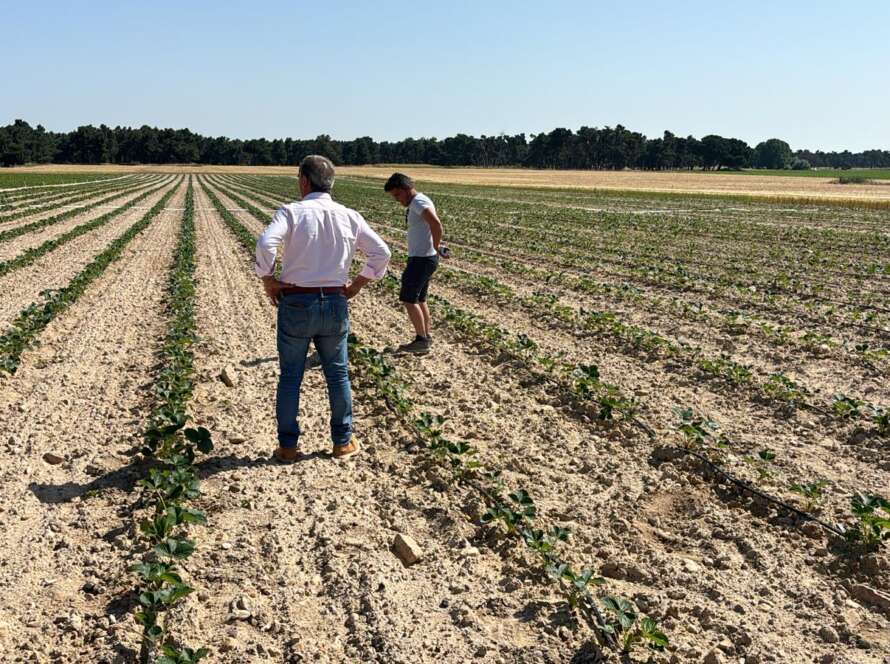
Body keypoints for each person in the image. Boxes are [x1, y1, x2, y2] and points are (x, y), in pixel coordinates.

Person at [256, 155, 391, 463]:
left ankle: (288, 447)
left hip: (297, 302)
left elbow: (266, 244)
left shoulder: (292, 212)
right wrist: (357, 284)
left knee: (291, 376)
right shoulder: (349, 215)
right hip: (334, 302)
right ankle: (342, 442)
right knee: (338, 374)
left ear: (304, 181)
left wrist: (268, 279)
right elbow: (381, 252)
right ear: (331, 183)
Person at [383, 172, 447, 354]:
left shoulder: (418, 202)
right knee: (420, 299)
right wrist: (436, 247)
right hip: (424, 258)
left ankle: (421, 340)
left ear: (405, 189)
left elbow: (436, 224)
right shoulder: (418, 201)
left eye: (397, 195)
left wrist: (436, 245)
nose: (396, 199)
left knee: (409, 298)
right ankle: (425, 336)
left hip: (422, 259)